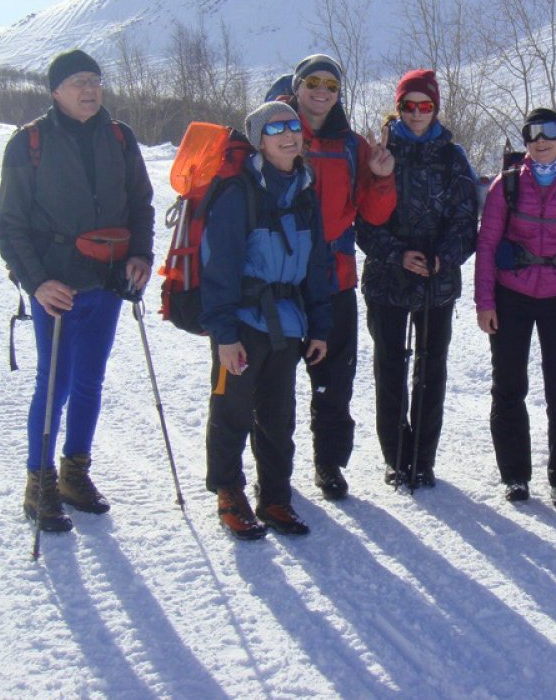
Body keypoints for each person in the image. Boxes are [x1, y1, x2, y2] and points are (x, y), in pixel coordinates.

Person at [0, 49, 154, 533]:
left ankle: (74, 474)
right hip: (56, 287)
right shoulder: (29, 144)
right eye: (78, 81)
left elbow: (141, 204)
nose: (90, 89)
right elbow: (9, 226)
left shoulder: (121, 138)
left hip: (107, 283)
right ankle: (38, 483)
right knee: (55, 383)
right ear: (55, 90)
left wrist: (141, 255)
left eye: (95, 79)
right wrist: (37, 283)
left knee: (89, 380)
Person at [199, 101, 333, 539]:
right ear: (259, 140)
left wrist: (319, 325)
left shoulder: (306, 191)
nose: (288, 134)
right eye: (275, 129)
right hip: (241, 323)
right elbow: (218, 267)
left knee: (278, 416)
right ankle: (229, 493)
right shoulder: (240, 192)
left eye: (293, 125)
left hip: (288, 322)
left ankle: (275, 497)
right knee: (232, 409)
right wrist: (223, 334)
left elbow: (318, 266)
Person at [475, 108, 556, 510]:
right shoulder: (506, 186)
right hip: (511, 295)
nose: (541, 140)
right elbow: (487, 247)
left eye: (549, 132)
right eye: (533, 134)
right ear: (526, 141)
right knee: (509, 386)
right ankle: (515, 476)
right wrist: (485, 302)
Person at [357, 70, 478, 487]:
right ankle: (396, 456)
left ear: (436, 108)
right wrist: (395, 254)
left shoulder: (452, 156)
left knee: (431, 368)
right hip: (388, 276)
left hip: (436, 280)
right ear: (398, 107)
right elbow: (364, 221)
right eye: (408, 105)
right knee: (389, 367)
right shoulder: (381, 152)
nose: (416, 114)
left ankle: (422, 459)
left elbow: (466, 220)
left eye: (424, 106)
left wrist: (444, 258)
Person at [287, 54, 396, 500]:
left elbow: (373, 212)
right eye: (313, 81)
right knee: (272, 385)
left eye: (331, 85)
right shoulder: (275, 132)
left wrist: (383, 178)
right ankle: (272, 472)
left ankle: (329, 465)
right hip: (281, 278)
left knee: (334, 382)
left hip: (334, 278)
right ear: (297, 87)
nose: (322, 91)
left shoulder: (352, 145)